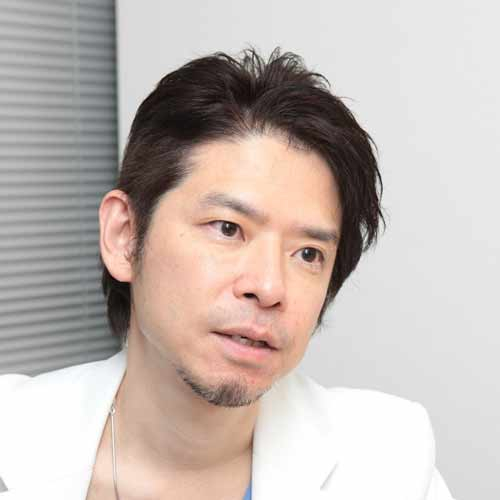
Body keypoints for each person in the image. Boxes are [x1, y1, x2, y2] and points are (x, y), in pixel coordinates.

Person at [0, 47, 455, 500]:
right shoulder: (13, 440)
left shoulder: (390, 462)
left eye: (308, 254)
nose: (269, 287)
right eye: (228, 228)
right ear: (124, 236)